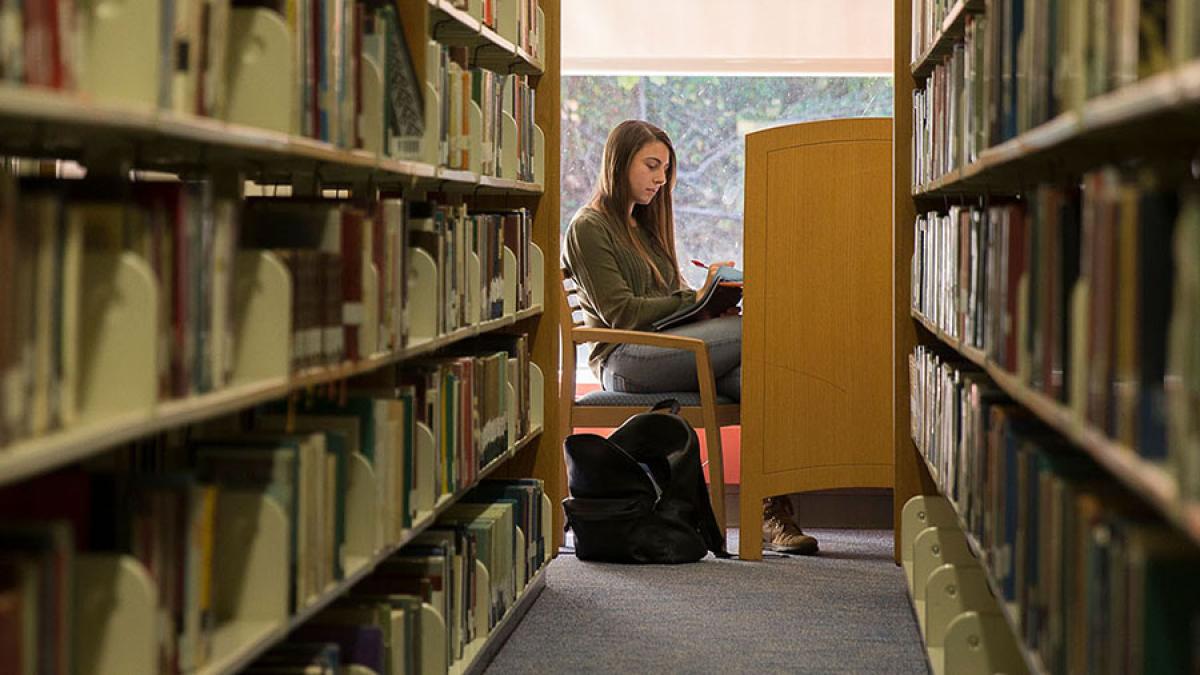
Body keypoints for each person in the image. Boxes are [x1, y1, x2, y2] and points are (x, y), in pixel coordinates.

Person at [562, 119, 818, 556]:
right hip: (622, 361)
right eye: (651, 165)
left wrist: (709, 302)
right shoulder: (589, 226)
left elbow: (671, 300)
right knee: (758, 332)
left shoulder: (643, 228)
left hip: (663, 349)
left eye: (665, 168)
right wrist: (694, 300)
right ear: (619, 163)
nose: (661, 178)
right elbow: (622, 312)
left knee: (760, 377)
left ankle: (771, 509)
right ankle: (769, 509)